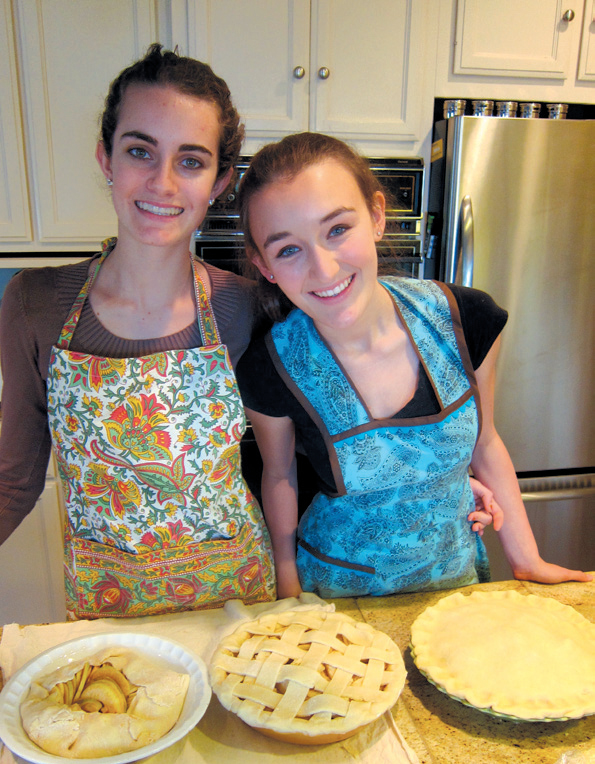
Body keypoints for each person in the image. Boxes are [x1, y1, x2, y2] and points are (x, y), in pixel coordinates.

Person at [235, 132, 592, 599]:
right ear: (266, 267)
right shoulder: (272, 365)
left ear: (377, 217)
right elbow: (279, 475)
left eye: (337, 229)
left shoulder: (467, 322)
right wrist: (287, 591)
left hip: (455, 581)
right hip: (337, 593)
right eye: (288, 249)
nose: (323, 269)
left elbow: (484, 441)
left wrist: (526, 558)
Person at [0, 45, 276, 619]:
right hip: (108, 618)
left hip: (237, 609)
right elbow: (14, 481)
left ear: (220, 179)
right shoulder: (35, 304)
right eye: (139, 151)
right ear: (106, 157)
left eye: (191, 161)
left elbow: (308, 447)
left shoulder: (249, 308)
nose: (163, 182)